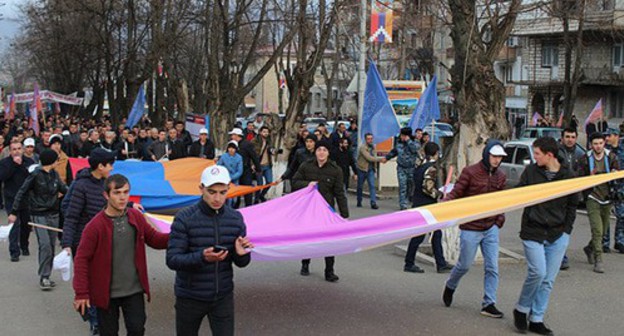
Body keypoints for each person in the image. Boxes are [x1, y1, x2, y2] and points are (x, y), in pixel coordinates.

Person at [73, 174, 169, 336]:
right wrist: (81, 293)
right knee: (109, 333)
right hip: (106, 294)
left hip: (134, 290)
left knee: (137, 329)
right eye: (117, 193)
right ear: (106, 195)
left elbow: (155, 239)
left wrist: (180, 234)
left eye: (126, 192)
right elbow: (81, 259)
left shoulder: (136, 216)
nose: (122, 197)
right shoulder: (94, 226)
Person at [166, 165, 254, 335]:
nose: (217, 198)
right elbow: (172, 259)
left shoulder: (235, 218)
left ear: (229, 188)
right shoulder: (184, 218)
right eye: (212, 192)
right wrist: (202, 257)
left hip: (222, 296)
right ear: (201, 188)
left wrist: (241, 255)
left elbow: (242, 262)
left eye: (223, 192)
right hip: (189, 297)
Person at [513, 136, 578, 335]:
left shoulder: (568, 175)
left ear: (549, 155)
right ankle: (522, 308)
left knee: (548, 279)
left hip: (558, 234)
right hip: (533, 230)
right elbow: (518, 194)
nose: (534, 157)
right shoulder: (532, 171)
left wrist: (566, 231)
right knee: (538, 272)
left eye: (538, 154)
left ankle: (537, 318)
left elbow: (573, 204)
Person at [442, 140, 507, 318]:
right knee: (464, 265)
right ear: (487, 155)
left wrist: (498, 220)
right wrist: (444, 205)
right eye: (494, 156)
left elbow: (502, 201)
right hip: (471, 227)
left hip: (491, 227)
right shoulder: (470, 172)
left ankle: (489, 303)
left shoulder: (501, 176)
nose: (497, 160)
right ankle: (450, 285)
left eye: (500, 157)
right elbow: (457, 192)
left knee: (493, 267)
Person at [8, 149, 68, 290]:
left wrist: (77, 192)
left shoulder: (54, 174)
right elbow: (21, 192)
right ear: (51, 161)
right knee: (45, 245)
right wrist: (14, 212)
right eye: (56, 159)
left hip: (54, 214)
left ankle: (47, 274)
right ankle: (44, 276)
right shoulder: (35, 175)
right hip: (38, 214)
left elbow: (64, 188)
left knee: (51, 246)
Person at [292, 140, 349, 282]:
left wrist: (344, 215)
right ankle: (305, 263)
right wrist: (307, 184)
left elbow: (339, 193)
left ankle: (329, 271)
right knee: (308, 238)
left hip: (326, 211)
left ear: (328, 152)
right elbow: (294, 182)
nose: (321, 152)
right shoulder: (306, 166)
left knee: (329, 241)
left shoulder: (335, 170)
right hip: (308, 210)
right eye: (319, 150)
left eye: (324, 150)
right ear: (315, 152)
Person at [404, 142, 452, 274]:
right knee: (420, 236)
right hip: (427, 205)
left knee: (436, 234)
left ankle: (441, 263)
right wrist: (440, 194)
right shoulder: (431, 169)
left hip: (418, 203)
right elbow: (428, 187)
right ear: (436, 153)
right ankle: (409, 263)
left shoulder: (419, 166)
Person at [579, 132, 619, 273]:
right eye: (595, 144)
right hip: (592, 197)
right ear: (591, 145)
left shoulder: (611, 157)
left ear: (604, 143)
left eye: (600, 143)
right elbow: (579, 178)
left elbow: (618, 174)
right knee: (597, 229)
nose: (598, 146)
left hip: (607, 197)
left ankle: (590, 248)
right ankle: (598, 259)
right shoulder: (585, 159)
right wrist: (588, 177)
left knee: (603, 231)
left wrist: (614, 173)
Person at [0, 141, 35, 261]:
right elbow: (2, 177)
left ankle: (24, 245)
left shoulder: (29, 162)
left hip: (26, 198)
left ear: (22, 149)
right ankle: (14, 252)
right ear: (10, 151)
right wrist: (14, 165)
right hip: (11, 198)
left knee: (26, 225)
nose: (16, 151)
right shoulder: (5, 163)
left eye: (19, 149)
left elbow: (33, 178)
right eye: (14, 149)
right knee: (14, 225)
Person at [557, 127, 584, 270]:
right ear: (562, 138)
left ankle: (560, 252)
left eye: (573, 137)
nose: (570, 139)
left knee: (568, 225)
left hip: (572, 197)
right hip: (559, 195)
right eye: (567, 136)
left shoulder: (580, 154)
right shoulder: (556, 153)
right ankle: (561, 256)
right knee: (558, 224)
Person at [385, 127, 422, 210]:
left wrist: (408, 141)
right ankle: (403, 204)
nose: (401, 137)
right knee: (402, 186)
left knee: (411, 185)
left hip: (411, 168)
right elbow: (394, 151)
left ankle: (410, 198)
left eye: (402, 135)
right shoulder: (399, 143)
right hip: (401, 168)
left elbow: (415, 150)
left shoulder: (414, 142)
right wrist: (386, 158)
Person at [229, 128, 261, 207]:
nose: (231, 137)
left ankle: (248, 207)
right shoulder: (232, 144)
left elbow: (254, 156)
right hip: (235, 171)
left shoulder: (247, 144)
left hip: (246, 171)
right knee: (236, 189)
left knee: (247, 189)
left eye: (232, 135)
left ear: (237, 135)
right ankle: (236, 206)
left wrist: (258, 169)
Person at [604, 129, 624, 254]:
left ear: (616, 136)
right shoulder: (604, 150)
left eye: (609, 135)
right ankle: (605, 242)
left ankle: (620, 240)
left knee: (622, 216)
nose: (606, 138)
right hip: (606, 187)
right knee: (605, 215)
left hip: (621, 187)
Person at [356, 133, 387, 209]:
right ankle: (359, 200)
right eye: (368, 139)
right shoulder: (363, 148)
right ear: (365, 139)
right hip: (362, 169)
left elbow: (374, 157)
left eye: (371, 139)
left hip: (370, 169)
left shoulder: (373, 147)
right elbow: (369, 158)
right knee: (360, 186)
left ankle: (373, 202)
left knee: (372, 186)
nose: (370, 140)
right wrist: (380, 159)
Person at [251, 126, 280, 203]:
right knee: (259, 184)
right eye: (264, 132)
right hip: (259, 165)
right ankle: (256, 199)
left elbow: (271, 149)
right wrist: (252, 164)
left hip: (267, 165)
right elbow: (251, 154)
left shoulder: (269, 141)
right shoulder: (255, 141)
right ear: (260, 132)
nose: (266, 133)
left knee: (269, 182)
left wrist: (273, 151)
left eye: (267, 132)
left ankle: (262, 195)